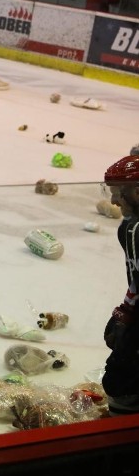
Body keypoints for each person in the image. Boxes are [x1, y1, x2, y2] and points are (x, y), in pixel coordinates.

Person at [101, 156, 139, 416]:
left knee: (122, 383)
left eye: (118, 193)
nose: (113, 201)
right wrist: (127, 309)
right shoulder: (129, 227)